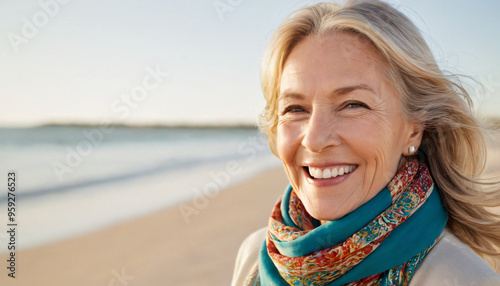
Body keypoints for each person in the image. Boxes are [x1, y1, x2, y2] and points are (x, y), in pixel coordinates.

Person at [231, 0, 500, 285]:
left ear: (413, 128)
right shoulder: (253, 257)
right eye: (295, 109)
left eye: (353, 104)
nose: (315, 139)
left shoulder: (462, 278)